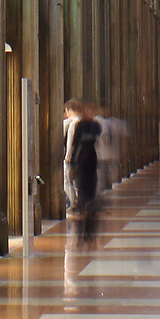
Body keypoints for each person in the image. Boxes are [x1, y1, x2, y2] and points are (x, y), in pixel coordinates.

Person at [61, 100, 102, 240]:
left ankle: (88, 215)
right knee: (82, 188)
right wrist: (72, 163)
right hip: (82, 161)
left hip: (91, 160)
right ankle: (83, 214)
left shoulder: (95, 125)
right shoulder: (79, 125)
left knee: (90, 189)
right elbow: (74, 145)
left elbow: (98, 142)